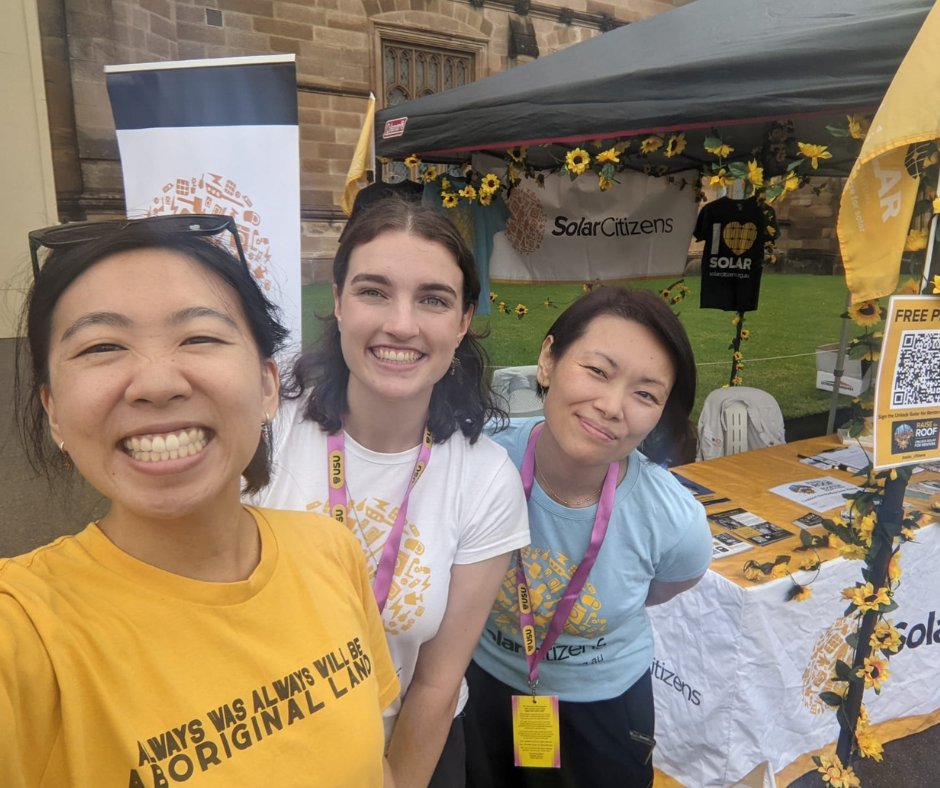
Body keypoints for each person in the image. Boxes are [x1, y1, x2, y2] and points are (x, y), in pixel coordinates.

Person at [2, 215, 399, 787]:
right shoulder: (26, 630)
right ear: (54, 411)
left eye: (200, 338)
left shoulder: (331, 552)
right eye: (102, 346)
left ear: (267, 386)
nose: (157, 383)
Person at [254, 199, 530, 788]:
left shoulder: (485, 479)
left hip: (407, 749)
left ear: (463, 320)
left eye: (433, 299)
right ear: (338, 301)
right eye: (374, 291)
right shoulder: (263, 433)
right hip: (265, 750)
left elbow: (437, 681)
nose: (402, 324)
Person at [463, 286, 712, 788]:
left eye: (645, 394)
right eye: (597, 371)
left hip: (604, 707)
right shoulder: (478, 463)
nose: (612, 406)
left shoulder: (673, 520)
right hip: (483, 683)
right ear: (548, 360)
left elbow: (666, 583)